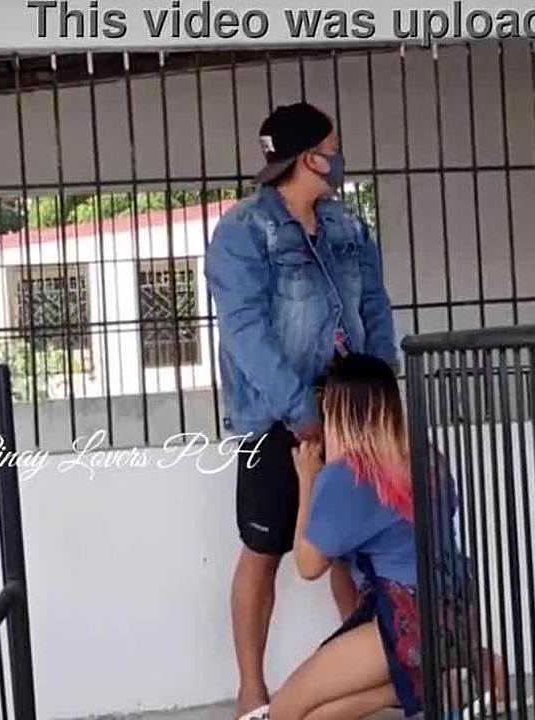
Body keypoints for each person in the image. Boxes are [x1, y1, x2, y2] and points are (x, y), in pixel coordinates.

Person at [205, 101, 399, 719]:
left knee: (352, 544)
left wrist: (378, 392)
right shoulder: (243, 232)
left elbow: (375, 309)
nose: (338, 159)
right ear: (306, 158)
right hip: (273, 418)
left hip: (351, 411)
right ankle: (252, 692)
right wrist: (298, 410)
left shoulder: (349, 229)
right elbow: (244, 333)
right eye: (331, 148)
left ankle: (369, 665)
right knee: (264, 548)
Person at [268, 353, 507, 720]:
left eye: (327, 409)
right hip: (456, 613)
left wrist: (308, 480)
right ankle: (421, 684)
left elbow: (308, 565)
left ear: (342, 414)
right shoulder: (427, 457)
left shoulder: (347, 475)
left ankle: (416, 685)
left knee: (285, 710)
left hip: (405, 622)